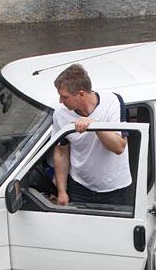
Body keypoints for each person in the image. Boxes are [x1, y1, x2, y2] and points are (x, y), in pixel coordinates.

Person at [52, 64, 131, 206]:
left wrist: (95, 125)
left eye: (64, 97)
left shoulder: (112, 102)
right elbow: (61, 152)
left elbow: (119, 147)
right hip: (79, 186)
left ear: (81, 94)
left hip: (114, 189)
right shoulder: (60, 113)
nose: (60, 101)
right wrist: (62, 191)